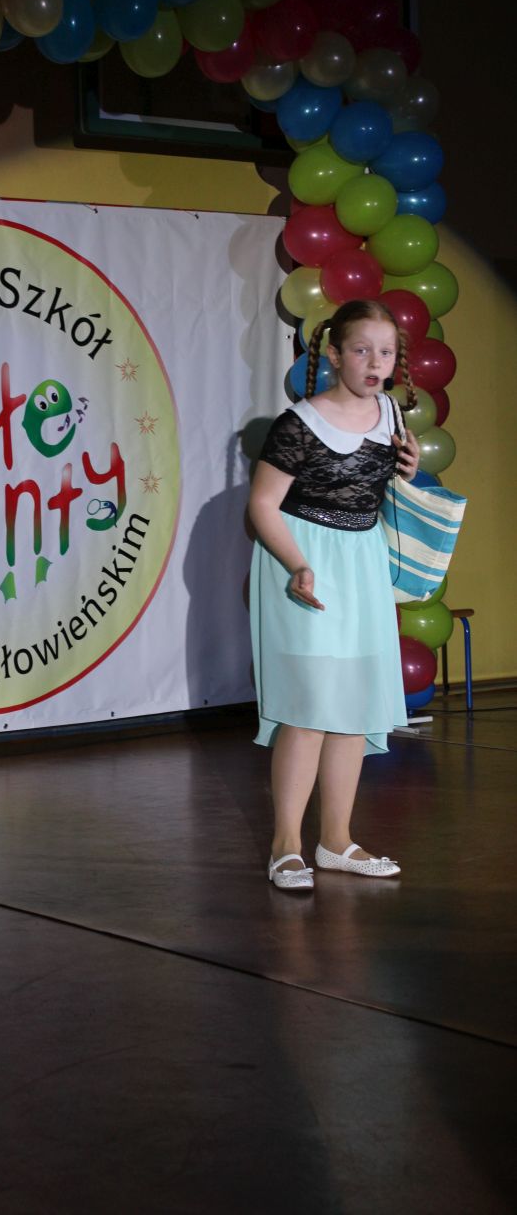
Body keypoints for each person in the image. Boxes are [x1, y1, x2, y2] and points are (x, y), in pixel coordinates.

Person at [248, 298, 420, 891]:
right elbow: (262, 505)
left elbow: (379, 485)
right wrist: (297, 564)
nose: (375, 362)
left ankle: (337, 841)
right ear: (336, 356)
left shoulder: (390, 412)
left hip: (362, 561)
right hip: (305, 561)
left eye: (386, 352)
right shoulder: (299, 423)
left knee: (352, 705)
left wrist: (407, 467)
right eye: (362, 350)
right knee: (309, 705)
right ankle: (286, 847)